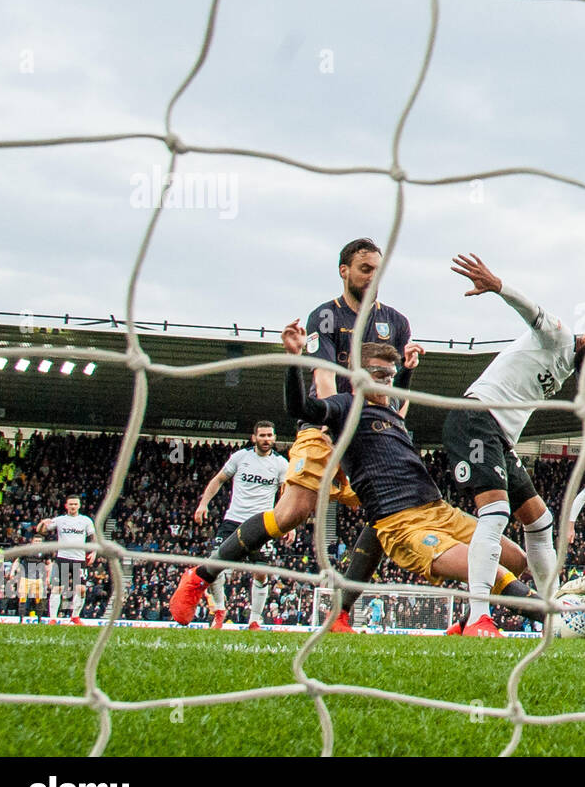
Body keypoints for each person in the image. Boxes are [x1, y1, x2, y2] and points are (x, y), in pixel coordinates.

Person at [171, 333, 547, 629]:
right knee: (487, 564)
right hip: (401, 524)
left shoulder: (391, 413)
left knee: (515, 558)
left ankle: (460, 625)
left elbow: (397, 394)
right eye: (378, 374)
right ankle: (556, 620)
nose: (386, 380)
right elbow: (302, 409)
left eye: (390, 374)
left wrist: (407, 373)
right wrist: (295, 360)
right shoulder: (344, 407)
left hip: (440, 512)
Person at [167, 238, 422, 631]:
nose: (373, 278)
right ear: (345, 272)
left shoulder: (397, 323)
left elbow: (395, 393)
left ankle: (339, 614)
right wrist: (338, 424)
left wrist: (398, 406)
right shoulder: (326, 317)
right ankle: (201, 576)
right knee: (292, 513)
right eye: (365, 269)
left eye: (378, 270)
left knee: (385, 514)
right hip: (324, 427)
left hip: (371, 433)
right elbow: (322, 377)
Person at [442, 253, 585, 637]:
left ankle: (551, 618)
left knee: (540, 523)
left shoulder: (564, 367)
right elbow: (532, 310)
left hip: (500, 437)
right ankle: (478, 617)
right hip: (474, 417)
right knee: (495, 515)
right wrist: (497, 286)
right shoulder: (559, 337)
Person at [193, 421, 289, 630]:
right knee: (213, 564)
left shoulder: (281, 464)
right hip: (234, 520)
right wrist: (203, 504)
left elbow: (287, 494)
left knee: (261, 572)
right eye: (262, 435)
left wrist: (290, 524)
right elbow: (218, 479)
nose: (266, 439)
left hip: (261, 523)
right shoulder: (240, 457)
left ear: (274, 437)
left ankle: (255, 619)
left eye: (269, 435)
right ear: (254, 437)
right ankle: (219, 610)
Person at [35, 495, 96, 625]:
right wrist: (42, 523)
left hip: (79, 559)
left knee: (81, 590)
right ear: (66, 506)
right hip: (62, 558)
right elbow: (41, 532)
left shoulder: (86, 521)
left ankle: (75, 616)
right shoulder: (60, 520)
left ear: (79, 505)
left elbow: (93, 537)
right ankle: (52, 619)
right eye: (71, 504)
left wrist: (94, 552)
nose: (73, 506)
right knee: (57, 589)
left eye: (75, 504)